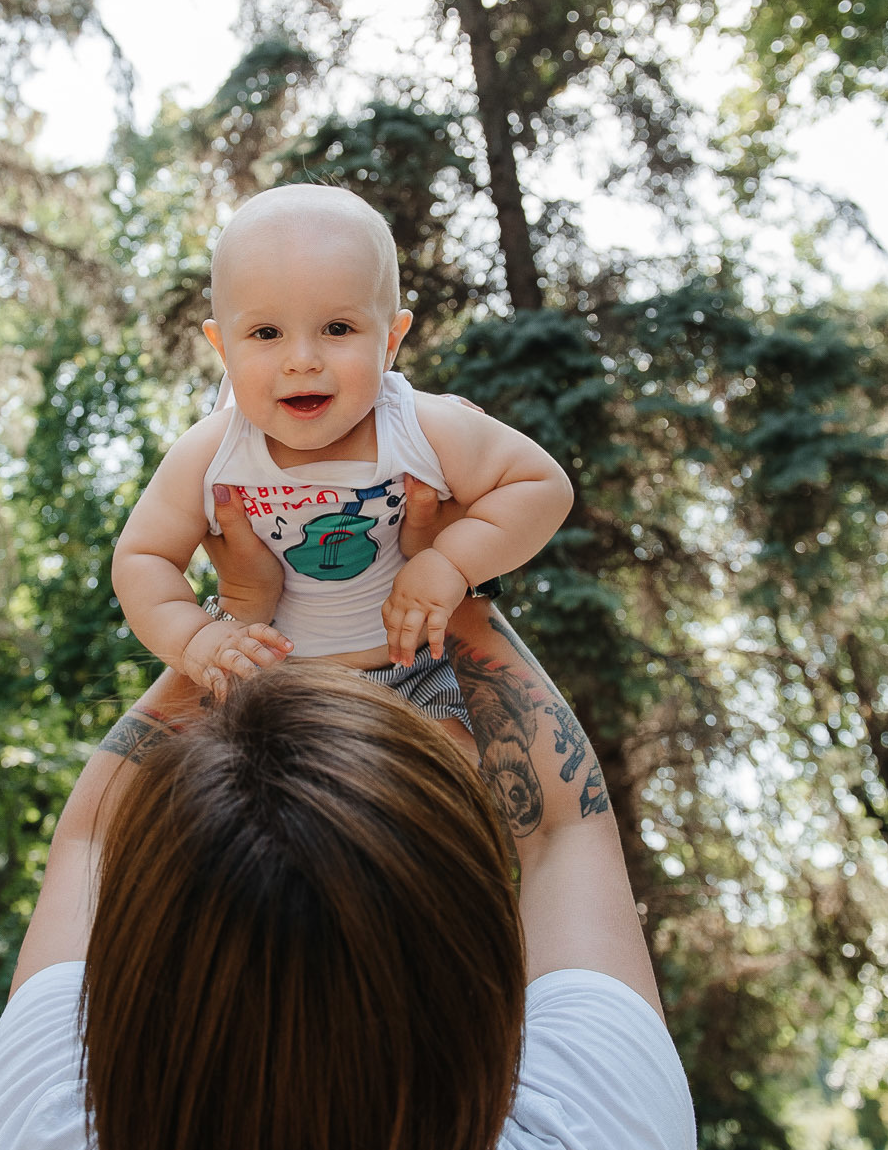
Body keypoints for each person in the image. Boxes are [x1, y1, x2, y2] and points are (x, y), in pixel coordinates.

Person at [0, 483, 696, 1150]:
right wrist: (440, 584)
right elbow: (563, 826)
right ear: (480, 977)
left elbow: (90, 841)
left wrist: (235, 624)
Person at [109, 183, 573, 746]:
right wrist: (193, 641)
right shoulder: (213, 453)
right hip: (272, 686)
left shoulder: (419, 426)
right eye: (266, 333)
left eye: (337, 329)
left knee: (458, 769)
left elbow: (541, 485)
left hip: (414, 672)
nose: (302, 360)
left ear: (390, 340)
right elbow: (143, 557)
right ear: (222, 348)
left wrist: (450, 563)